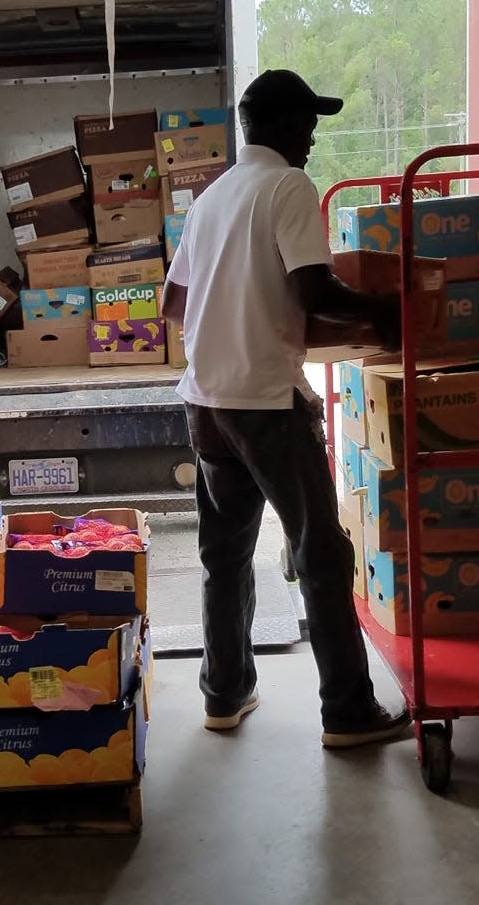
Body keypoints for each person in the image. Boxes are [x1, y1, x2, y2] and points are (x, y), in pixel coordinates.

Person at [161, 69, 409, 749]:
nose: (312, 137)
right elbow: (317, 289)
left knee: (226, 555)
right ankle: (349, 713)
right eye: (306, 123)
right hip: (266, 402)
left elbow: (172, 305)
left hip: (205, 404)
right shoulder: (286, 185)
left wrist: (240, 312)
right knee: (321, 554)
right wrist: (392, 311)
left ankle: (226, 692)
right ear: (275, 125)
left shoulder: (212, 196)